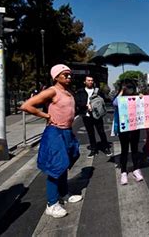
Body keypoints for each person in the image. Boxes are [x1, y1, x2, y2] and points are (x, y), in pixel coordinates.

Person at [20, 64, 82, 219]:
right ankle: (52, 204)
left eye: (69, 74)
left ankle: (64, 194)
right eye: (65, 75)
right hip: (55, 132)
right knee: (56, 166)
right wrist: (46, 116)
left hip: (67, 131)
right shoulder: (51, 91)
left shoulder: (67, 92)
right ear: (56, 77)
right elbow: (26, 106)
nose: (69, 77)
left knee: (66, 162)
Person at [112, 79, 144, 185]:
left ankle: (136, 169)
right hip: (124, 129)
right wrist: (121, 91)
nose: (129, 90)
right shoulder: (120, 98)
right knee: (124, 150)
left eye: (131, 87)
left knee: (135, 150)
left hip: (135, 128)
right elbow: (115, 103)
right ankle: (123, 172)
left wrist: (141, 97)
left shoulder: (137, 97)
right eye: (127, 87)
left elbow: (144, 104)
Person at [75, 75, 111, 158]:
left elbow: (103, 100)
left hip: (97, 115)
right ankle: (93, 149)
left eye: (91, 80)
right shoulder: (80, 91)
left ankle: (105, 147)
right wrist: (86, 106)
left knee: (101, 132)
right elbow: (77, 102)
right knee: (90, 133)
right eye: (88, 80)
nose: (90, 82)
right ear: (84, 82)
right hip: (87, 115)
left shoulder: (97, 91)